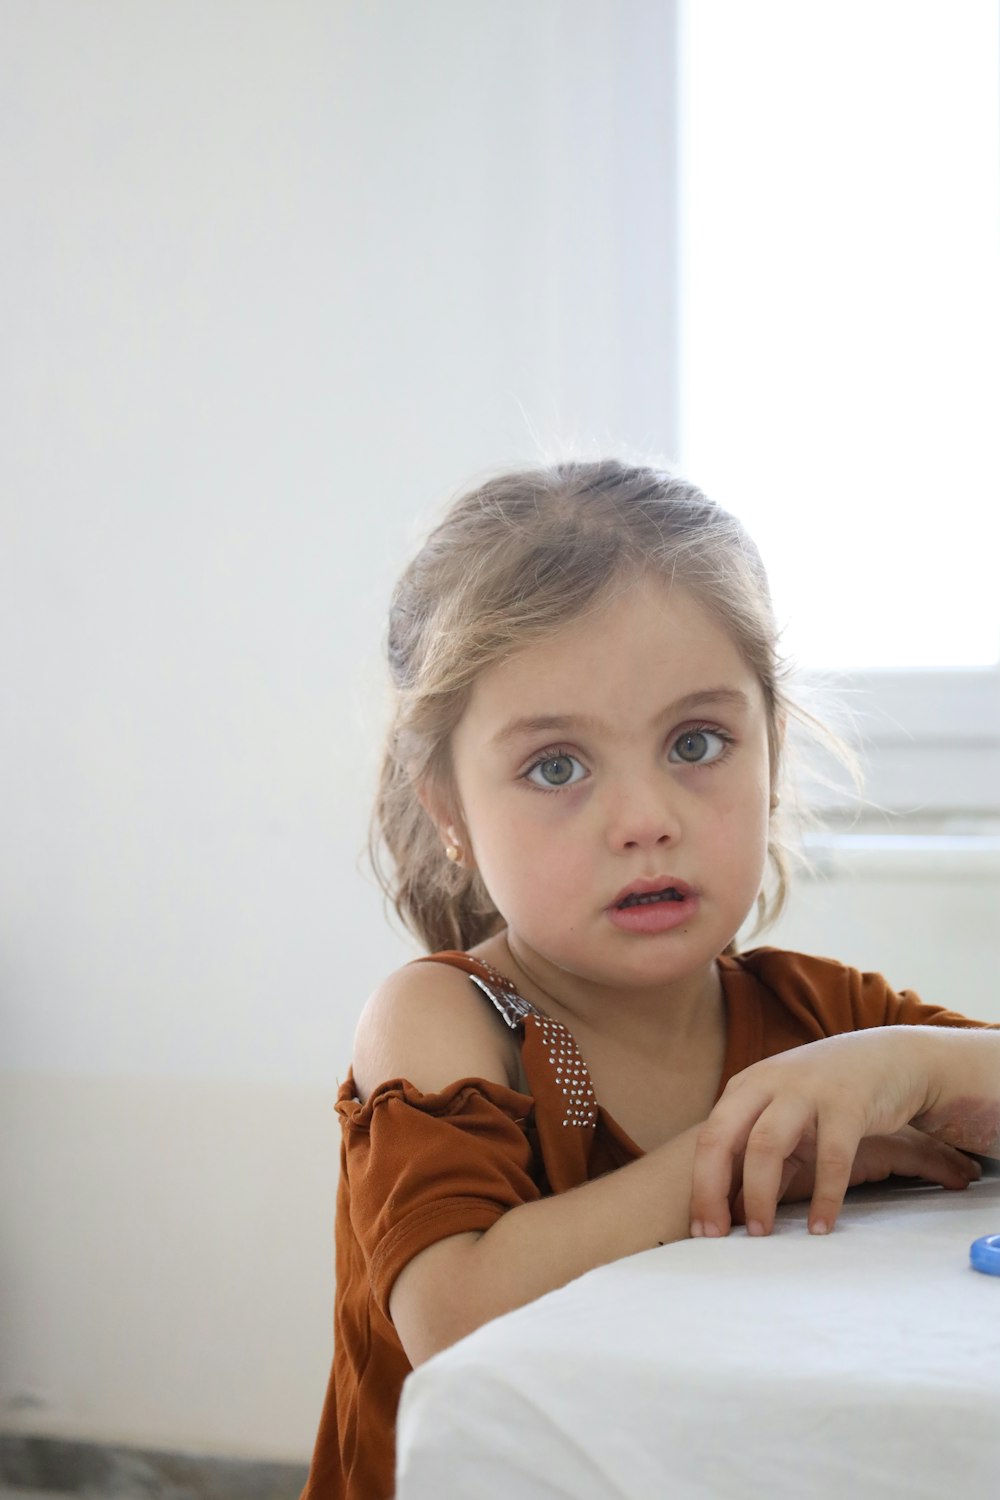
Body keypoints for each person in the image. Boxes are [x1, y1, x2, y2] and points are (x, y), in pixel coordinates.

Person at [300, 459, 999, 1500]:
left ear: (769, 757)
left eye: (696, 743)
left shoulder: (814, 1022)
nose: (644, 818)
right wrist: (760, 1156)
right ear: (447, 807)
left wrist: (905, 1061)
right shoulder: (458, 1017)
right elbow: (450, 1311)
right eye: (555, 767)